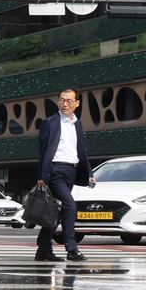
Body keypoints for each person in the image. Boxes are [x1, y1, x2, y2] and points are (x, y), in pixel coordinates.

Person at [35, 88, 95, 262]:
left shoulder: (78, 123)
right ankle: (71, 248)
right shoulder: (51, 122)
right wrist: (42, 176)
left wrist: (89, 173)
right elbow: (43, 151)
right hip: (55, 171)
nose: (65, 104)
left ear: (77, 104)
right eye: (62, 100)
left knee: (54, 211)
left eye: (69, 101)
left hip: (72, 170)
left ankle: (44, 249)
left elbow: (81, 150)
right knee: (70, 207)